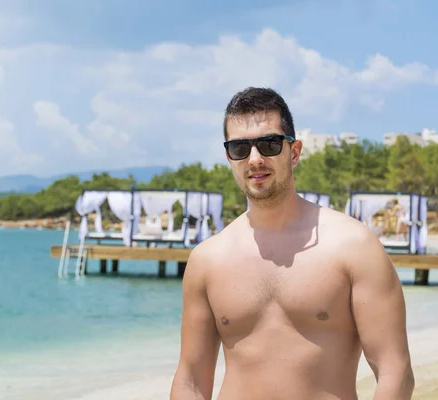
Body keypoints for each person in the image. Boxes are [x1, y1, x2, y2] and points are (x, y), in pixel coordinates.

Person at [170, 87, 414, 399]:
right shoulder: (207, 260)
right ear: (229, 157)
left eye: (269, 144)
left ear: (294, 152)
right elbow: (189, 379)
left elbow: (395, 371)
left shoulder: (353, 247)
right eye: (240, 148)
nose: (255, 159)